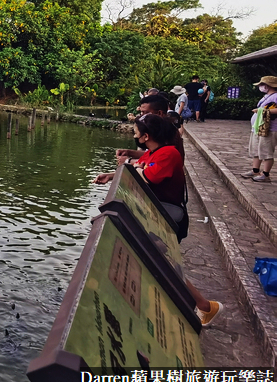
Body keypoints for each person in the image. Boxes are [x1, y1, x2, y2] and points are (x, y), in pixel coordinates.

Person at [95, 113, 224, 326]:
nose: (134, 135)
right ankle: (202, 305)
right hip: (155, 211)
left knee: (163, 262)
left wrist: (132, 165)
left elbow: (145, 176)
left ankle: (204, 305)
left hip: (168, 213)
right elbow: (138, 168)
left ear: (146, 136)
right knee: (161, 260)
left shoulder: (168, 153)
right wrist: (111, 175)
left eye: (136, 132)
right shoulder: (154, 153)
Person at [117, 95, 184, 162]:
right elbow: (152, 154)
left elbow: (160, 160)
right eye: (141, 113)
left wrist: (128, 161)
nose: (141, 117)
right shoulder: (157, 129)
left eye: (145, 113)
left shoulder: (168, 133)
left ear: (159, 113)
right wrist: (129, 153)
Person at [241, 76, 277, 183]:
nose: (261, 87)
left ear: (268, 85)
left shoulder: (275, 96)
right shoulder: (266, 96)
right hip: (259, 127)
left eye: (262, 85)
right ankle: (255, 170)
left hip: (269, 129)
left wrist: (262, 110)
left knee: (266, 151)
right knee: (257, 149)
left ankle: (265, 174)